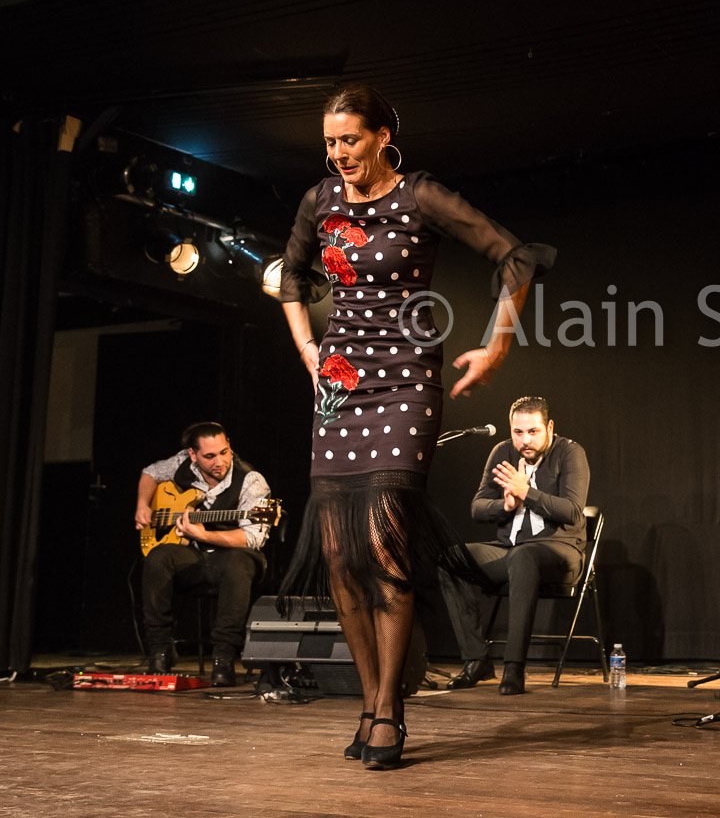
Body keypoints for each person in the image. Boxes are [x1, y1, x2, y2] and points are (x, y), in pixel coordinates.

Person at [278, 83, 552, 769]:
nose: (339, 153)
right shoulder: (319, 200)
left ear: (382, 137)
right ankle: (369, 702)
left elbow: (514, 256)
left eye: (350, 139)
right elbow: (291, 276)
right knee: (340, 556)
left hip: (404, 378)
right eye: (330, 142)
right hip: (339, 385)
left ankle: (391, 711)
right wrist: (308, 348)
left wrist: (496, 347)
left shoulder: (419, 196)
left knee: (384, 546)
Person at [438, 396, 589, 696]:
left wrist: (526, 492)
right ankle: (476, 660)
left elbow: (573, 511)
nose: (525, 440)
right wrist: (504, 506)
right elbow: (477, 507)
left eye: (533, 431)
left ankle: (514, 666)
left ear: (549, 427)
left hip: (560, 550)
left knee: (523, 557)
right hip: (510, 548)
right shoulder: (502, 452)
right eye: (518, 432)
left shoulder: (570, 453)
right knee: (452, 558)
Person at [133, 421, 271, 686]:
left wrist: (203, 534)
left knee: (238, 563)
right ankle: (160, 650)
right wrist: (142, 505)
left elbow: (253, 537)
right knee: (158, 558)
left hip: (232, 556)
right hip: (194, 556)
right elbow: (150, 473)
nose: (219, 461)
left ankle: (223, 657)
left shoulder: (251, 481)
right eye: (209, 456)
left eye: (224, 452)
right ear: (193, 455)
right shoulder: (182, 463)